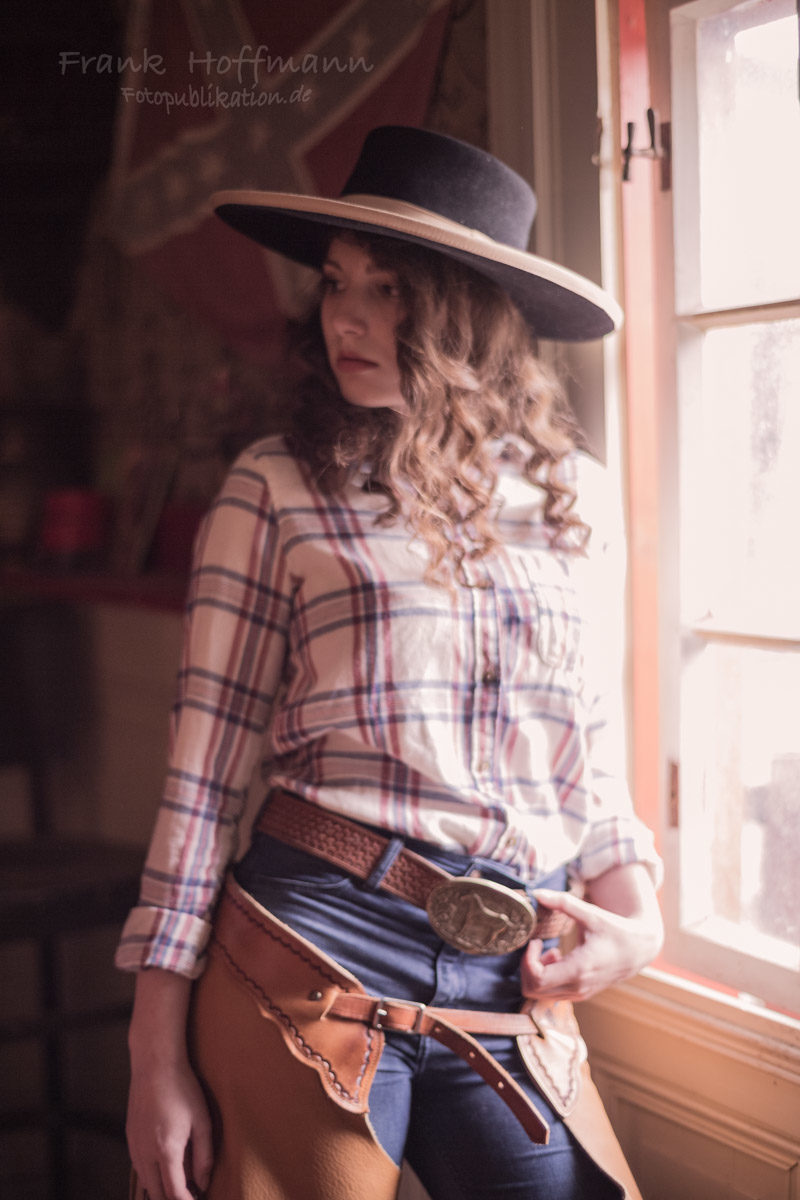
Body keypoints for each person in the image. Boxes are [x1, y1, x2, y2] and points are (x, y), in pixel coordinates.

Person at [116, 125, 663, 1200]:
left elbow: (589, 765)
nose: (346, 318)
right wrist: (152, 1059)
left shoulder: (573, 499)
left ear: (469, 312)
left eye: (389, 290)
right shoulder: (272, 488)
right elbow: (196, 793)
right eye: (334, 284)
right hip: (311, 937)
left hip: (512, 965)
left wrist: (635, 924)